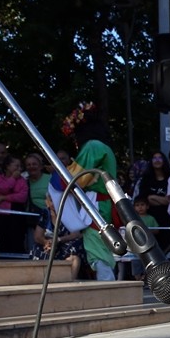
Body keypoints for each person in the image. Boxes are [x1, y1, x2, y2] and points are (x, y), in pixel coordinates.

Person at [48, 101, 119, 281]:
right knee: (101, 247)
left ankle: (109, 290)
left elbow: (75, 179)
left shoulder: (93, 146)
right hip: (101, 202)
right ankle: (109, 287)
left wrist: (57, 177)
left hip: (97, 204)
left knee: (97, 248)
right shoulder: (103, 147)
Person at [29, 191, 85, 280]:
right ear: (46, 202)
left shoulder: (68, 213)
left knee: (76, 246)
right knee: (37, 248)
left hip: (63, 244)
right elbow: (37, 236)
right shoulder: (45, 213)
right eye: (51, 200)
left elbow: (76, 234)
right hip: (49, 245)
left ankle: (70, 282)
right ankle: (40, 280)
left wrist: (58, 240)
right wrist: (47, 242)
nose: (53, 203)